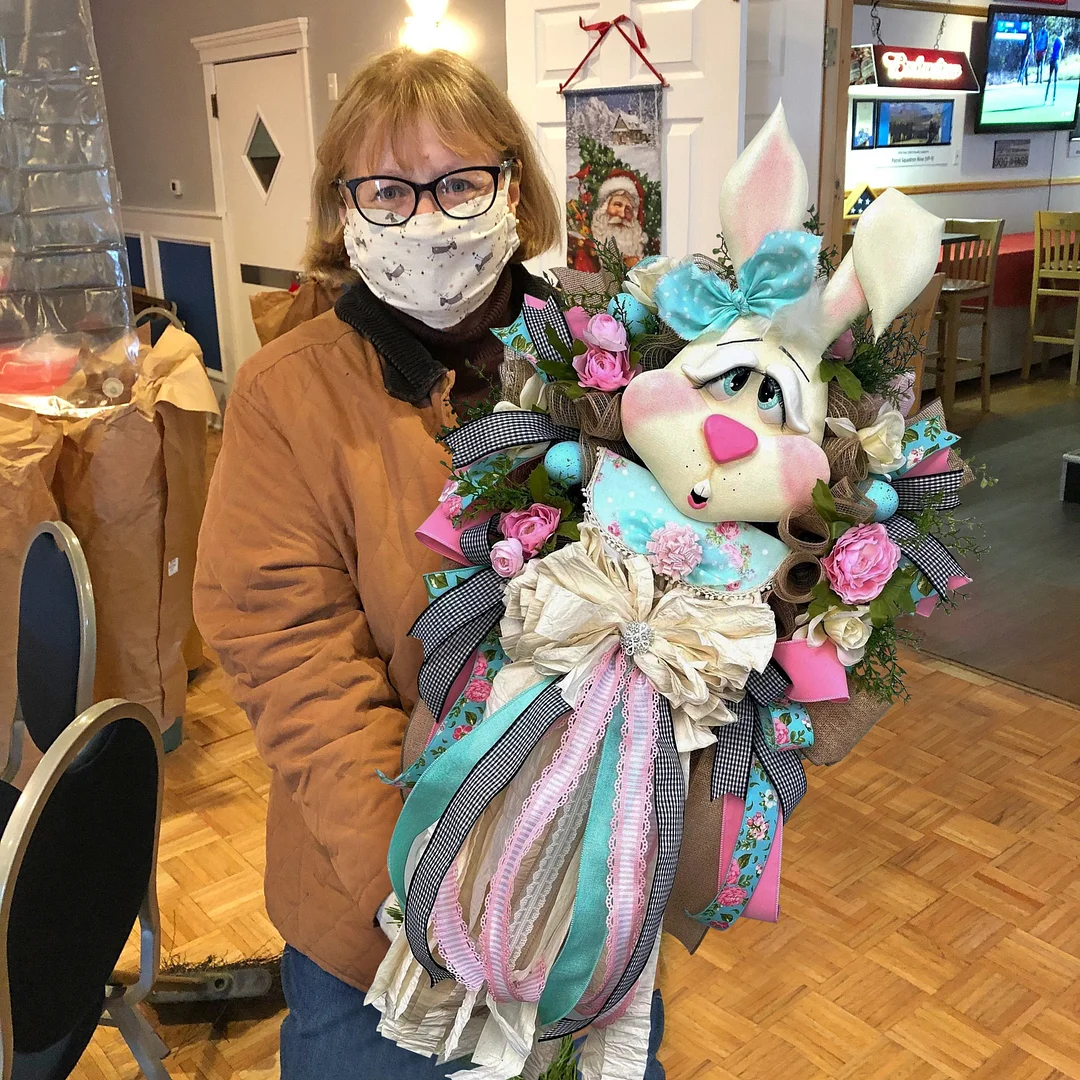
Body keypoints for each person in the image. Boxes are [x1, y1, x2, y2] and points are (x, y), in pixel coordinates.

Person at [193, 48, 667, 1079]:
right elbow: (293, 662)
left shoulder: (614, 360)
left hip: (588, 891)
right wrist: (434, 887)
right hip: (385, 926)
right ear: (345, 209)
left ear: (512, 186)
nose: (429, 218)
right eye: (389, 191)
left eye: (459, 183)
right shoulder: (290, 393)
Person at [590, 171, 648, 268]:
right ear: (605, 207)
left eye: (628, 209)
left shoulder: (639, 266)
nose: (622, 214)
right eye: (617, 205)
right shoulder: (588, 251)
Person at [1045, 33, 1064, 103]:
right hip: (1057, 60)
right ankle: (1054, 99)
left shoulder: (1056, 40)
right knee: (1055, 80)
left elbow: (1053, 50)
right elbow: (1062, 52)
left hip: (1053, 59)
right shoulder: (1062, 41)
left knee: (1049, 80)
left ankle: (1046, 99)